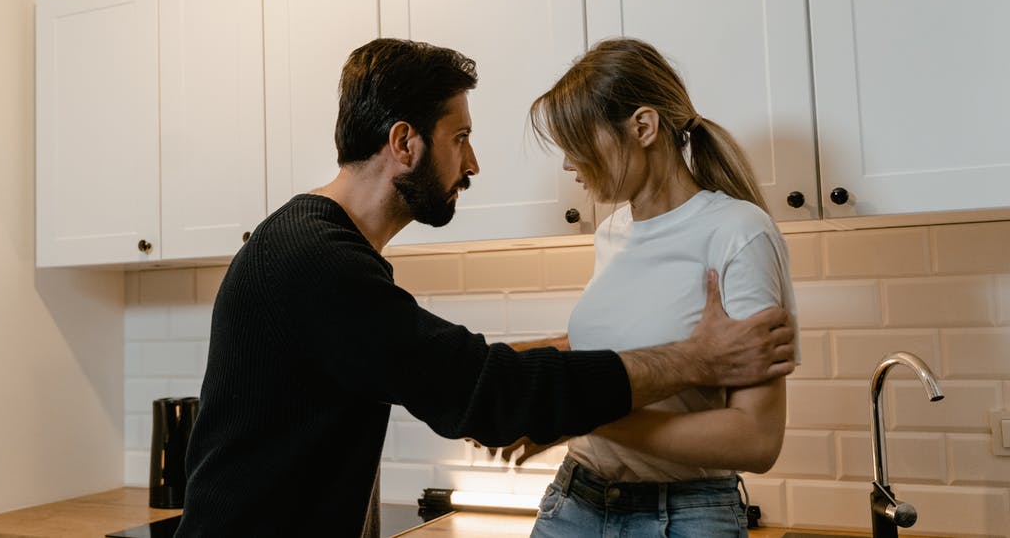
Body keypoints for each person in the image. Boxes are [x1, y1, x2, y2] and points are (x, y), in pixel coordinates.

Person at [173, 38, 795, 538]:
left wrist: (555, 393)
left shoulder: (310, 245)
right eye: (460, 138)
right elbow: (480, 389)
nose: (473, 165)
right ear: (404, 143)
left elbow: (476, 374)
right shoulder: (317, 264)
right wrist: (694, 361)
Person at [488, 37, 799, 538]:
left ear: (643, 126)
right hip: (574, 502)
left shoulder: (739, 233)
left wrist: (577, 413)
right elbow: (621, 354)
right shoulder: (612, 232)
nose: (569, 164)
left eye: (577, 143)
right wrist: (524, 380)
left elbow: (756, 439)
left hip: (683, 517)